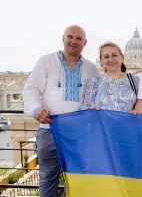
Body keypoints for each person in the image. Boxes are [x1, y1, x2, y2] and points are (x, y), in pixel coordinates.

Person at [22, 25, 99, 197]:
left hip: (80, 135)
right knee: (48, 177)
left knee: (77, 178)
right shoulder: (46, 61)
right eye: (70, 37)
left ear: (85, 43)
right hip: (50, 131)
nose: (74, 41)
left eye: (78, 38)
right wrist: (35, 109)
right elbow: (30, 90)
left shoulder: (91, 68)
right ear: (63, 38)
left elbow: (96, 98)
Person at [79, 42, 139, 112]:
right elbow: (85, 107)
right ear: (101, 61)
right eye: (106, 57)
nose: (110, 60)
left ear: (122, 57)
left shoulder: (135, 80)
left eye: (114, 55)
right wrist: (90, 109)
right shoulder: (95, 82)